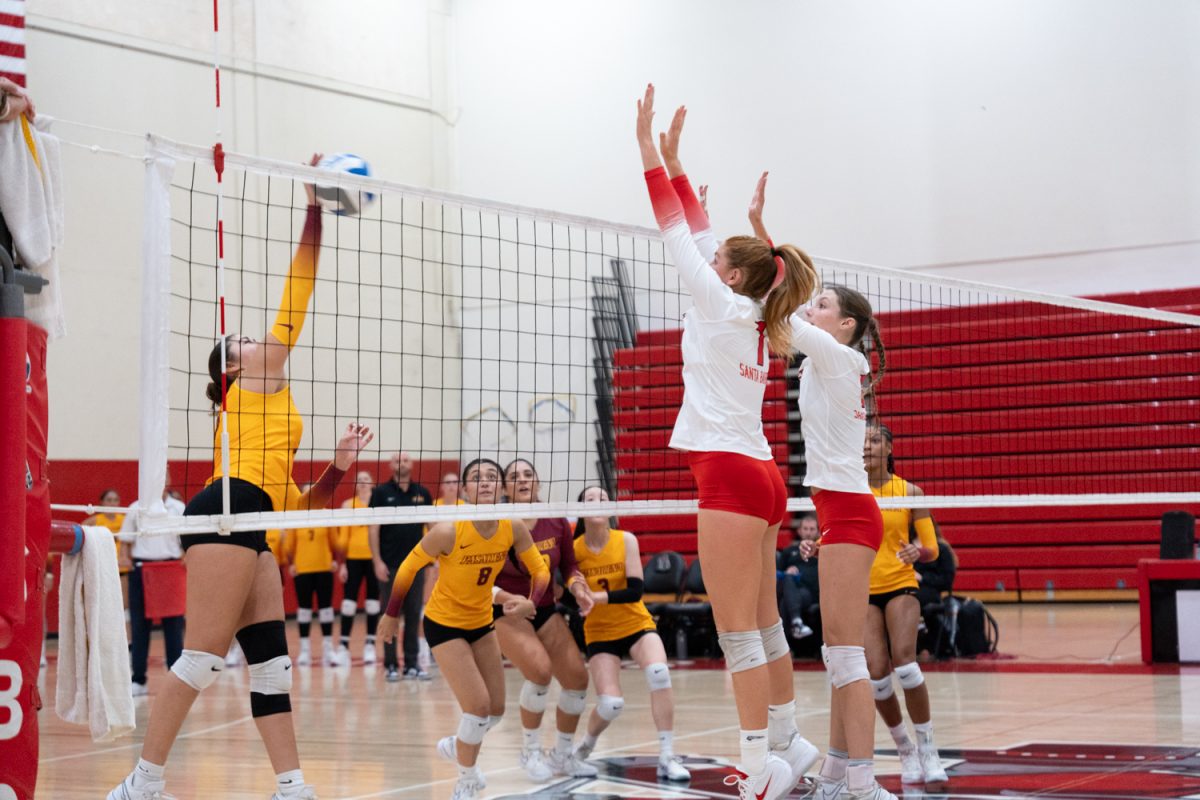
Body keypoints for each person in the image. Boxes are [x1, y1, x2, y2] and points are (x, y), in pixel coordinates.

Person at [108, 157, 374, 800]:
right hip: (228, 507)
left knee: (273, 667)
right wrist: (314, 213)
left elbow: (305, 506)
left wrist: (337, 462)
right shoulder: (249, 387)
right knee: (200, 657)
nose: (261, 342)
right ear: (232, 368)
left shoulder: (266, 408)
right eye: (245, 341)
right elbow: (295, 301)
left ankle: (291, 787)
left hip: (252, 514)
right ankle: (142, 783)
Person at [635, 84, 820, 798]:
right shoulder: (750, 309)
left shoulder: (719, 301)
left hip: (730, 475)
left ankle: (756, 766)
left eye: (721, 262)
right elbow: (709, 237)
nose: (709, 264)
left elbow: (676, 231)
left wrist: (647, 148)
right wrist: (681, 165)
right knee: (766, 627)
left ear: (734, 276)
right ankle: (787, 742)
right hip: (765, 477)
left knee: (736, 629)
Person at [378, 458, 550, 800]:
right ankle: (466, 779)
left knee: (496, 711)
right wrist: (391, 614)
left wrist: (533, 600)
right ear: (465, 489)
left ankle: (458, 745)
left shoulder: (512, 526)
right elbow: (407, 569)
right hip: (444, 624)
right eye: (476, 478)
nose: (485, 482)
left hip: (481, 622)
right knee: (478, 707)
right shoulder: (448, 529)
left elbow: (540, 571)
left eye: (491, 477)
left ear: (501, 488)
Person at [783, 281, 893, 800]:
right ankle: (833, 775)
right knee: (837, 657)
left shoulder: (842, 357)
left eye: (822, 304)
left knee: (848, 658)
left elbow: (780, 314)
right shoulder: (819, 359)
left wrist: (768, 264)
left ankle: (863, 785)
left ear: (846, 325)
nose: (812, 307)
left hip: (850, 513)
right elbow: (784, 319)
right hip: (834, 512)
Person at [571, 485, 691, 781]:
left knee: (659, 672)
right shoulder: (574, 551)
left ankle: (666, 756)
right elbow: (566, 592)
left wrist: (597, 598)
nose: (597, 503)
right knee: (611, 704)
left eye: (602, 498)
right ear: (581, 510)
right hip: (599, 631)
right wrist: (578, 598)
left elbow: (636, 590)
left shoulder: (625, 540)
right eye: (590, 499)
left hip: (635, 624)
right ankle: (585, 746)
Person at [490, 458, 596, 781]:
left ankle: (562, 755)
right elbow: (478, 579)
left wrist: (578, 589)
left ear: (537, 483)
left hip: (544, 607)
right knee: (539, 672)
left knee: (578, 680)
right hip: (505, 610)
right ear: (506, 488)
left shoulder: (557, 520)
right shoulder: (494, 523)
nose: (521, 480)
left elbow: (570, 567)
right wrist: (512, 600)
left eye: (527, 474)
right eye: (513, 476)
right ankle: (530, 751)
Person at [861, 424, 948, 786]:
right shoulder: (850, 491)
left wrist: (920, 550)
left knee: (906, 665)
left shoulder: (910, 492)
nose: (867, 446)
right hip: (864, 589)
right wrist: (816, 545)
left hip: (900, 583)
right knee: (877, 676)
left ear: (890, 449)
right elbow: (835, 533)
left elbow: (933, 548)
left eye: (875, 440)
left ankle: (928, 749)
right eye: (863, 441)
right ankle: (904, 749)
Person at [369, 450, 434, 681]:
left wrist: (434, 560)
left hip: (416, 567)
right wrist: (377, 561)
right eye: (397, 460)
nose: (401, 463)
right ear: (390, 465)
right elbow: (373, 529)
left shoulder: (422, 493)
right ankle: (390, 665)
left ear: (412, 464)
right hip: (390, 566)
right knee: (390, 614)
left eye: (405, 459)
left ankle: (412, 664)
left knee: (414, 614)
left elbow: (432, 527)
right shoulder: (380, 493)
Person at [119, 489, 186, 698]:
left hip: (171, 567)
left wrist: (186, 556)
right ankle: (138, 679)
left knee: (174, 627)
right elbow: (125, 540)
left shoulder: (179, 508)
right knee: (140, 627)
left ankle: (175, 679)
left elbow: (188, 538)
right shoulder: (135, 507)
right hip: (142, 569)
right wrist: (124, 558)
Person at [335, 471, 380, 665]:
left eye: (366, 480)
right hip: (353, 560)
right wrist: (342, 563)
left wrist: (381, 560)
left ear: (372, 484)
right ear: (355, 485)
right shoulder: (348, 505)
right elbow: (343, 537)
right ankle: (343, 647)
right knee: (348, 604)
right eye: (359, 480)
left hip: (373, 559)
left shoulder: (378, 503)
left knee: (372, 603)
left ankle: (370, 644)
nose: (362, 483)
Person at [286, 520, 339, 667]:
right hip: (302, 569)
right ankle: (304, 650)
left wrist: (335, 560)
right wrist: (291, 564)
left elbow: (335, 542)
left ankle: (328, 649)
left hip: (324, 568)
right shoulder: (297, 518)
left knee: (326, 609)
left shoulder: (326, 516)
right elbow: (289, 545)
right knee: (304, 610)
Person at [777, 513, 820, 641]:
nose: (808, 533)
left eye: (812, 529)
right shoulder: (788, 552)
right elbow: (778, 575)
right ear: (799, 531)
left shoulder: (822, 550)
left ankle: (785, 646)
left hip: (813, 593)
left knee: (786, 600)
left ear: (818, 531)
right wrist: (787, 573)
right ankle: (797, 623)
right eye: (805, 529)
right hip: (795, 590)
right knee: (788, 579)